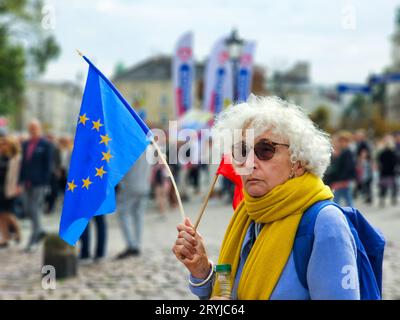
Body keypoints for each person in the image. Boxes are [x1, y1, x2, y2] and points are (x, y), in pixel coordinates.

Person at [172, 96, 360, 300]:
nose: (249, 162)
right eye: (242, 151)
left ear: (298, 162)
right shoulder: (248, 213)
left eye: (265, 150)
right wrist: (203, 271)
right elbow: (230, 291)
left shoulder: (325, 222)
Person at [19, 119, 53, 252]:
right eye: (31, 127)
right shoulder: (26, 144)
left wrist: (46, 182)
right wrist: (20, 181)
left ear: (39, 129)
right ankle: (40, 230)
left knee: (34, 208)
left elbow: (48, 165)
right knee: (28, 209)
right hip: (26, 182)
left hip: (39, 183)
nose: (33, 130)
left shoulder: (46, 144)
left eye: (35, 127)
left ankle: (34, 238)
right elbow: (23, 164)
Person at [115, 147, 152, 259]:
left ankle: (131, 244)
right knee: (138, 216)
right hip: (144, 185)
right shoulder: (148, 149)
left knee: (123, 214)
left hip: (129, 186)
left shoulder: (129, 147)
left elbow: (121, 168)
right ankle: (137, 244)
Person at [0, 135, 22, 247]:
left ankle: (18, 232)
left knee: (8, 213)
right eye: (2, 144)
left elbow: (19, 175)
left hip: (9, 188)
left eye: (6, 144)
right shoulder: (1, 156)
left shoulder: (16, 158)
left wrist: (19, 186)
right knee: (0, 215)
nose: (3, 146)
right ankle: (5, 238)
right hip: (0, 188)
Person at [324, 131, 356, 207]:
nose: (341, 143)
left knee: (339, 199)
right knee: (345, 199)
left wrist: (340, 179)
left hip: (342, 180)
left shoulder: (347, 152)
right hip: (342, 180)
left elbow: (347, 167)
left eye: (342, 141)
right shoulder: (344, 152)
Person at [377, 135, 398, 207]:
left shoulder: (382, 153)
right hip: (391, 172)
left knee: (383, 187)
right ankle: (393, 198)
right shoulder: (394, 153)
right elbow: (396, 162)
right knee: (393, 187)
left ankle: (382, 200)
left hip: (384, 172)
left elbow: (379, 161)